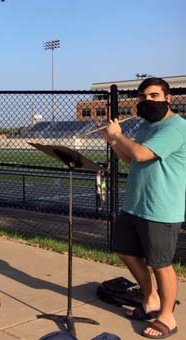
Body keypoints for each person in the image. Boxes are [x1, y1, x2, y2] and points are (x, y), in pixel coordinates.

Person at [98, 77, 185, 339]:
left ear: (168, 98)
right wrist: (113, 141)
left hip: (160, 208)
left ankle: (167, 317)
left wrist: (119, 135)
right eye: (144, 97)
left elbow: (142, 154)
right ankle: (151, 299)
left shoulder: (176, 127)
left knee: (161, 264)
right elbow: (129, 157)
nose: (148, 101)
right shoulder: (146, 127)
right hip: (135, 204)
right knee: (125, 251)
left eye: (154, 96)